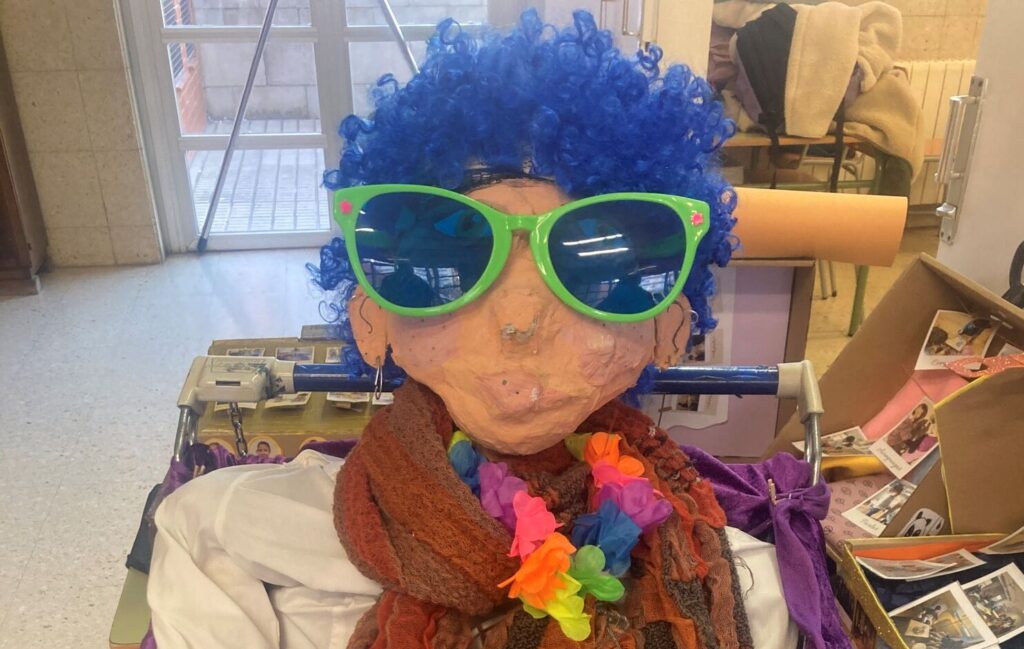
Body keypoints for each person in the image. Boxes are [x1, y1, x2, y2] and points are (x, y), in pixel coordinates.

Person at [148, 11, 801, 649]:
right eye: (449, 263)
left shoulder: (754, 592)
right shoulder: (224, 531)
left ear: (670, 328)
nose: (518, 319)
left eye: (593, 268)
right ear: (371, 319)